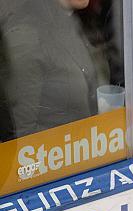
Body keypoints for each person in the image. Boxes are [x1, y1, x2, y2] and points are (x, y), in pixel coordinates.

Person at [3, 0, 109, 137]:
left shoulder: (78, 21)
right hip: (59, 153)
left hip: (93, 146)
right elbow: (23, 133)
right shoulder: (26, 36)